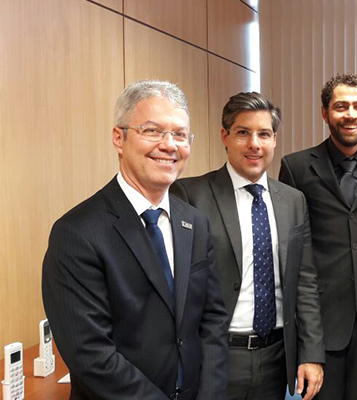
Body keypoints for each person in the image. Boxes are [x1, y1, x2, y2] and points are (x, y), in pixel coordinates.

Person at [41, 80, 228, 400]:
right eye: (153, 131)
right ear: (119, 137)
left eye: (180, 134)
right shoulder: (76, 233)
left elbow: (212, 323)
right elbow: (91, 356)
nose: (169, 145)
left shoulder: (194, 222)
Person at [171, 92, 324, 400]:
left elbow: (305, 281)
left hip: (276, 355)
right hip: (216, 355)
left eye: (264, 134)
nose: (255, 144)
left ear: (274, 140)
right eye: (243, 132)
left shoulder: (293, 201)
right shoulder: (191, 195)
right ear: (225, 136)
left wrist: (311, 353)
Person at [279, 73, 357, 400]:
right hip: (321, 320)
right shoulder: (296, 167)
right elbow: (292, 248)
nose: (351, 114)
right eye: (341, 106)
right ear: (325, 113)